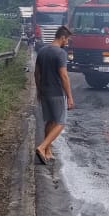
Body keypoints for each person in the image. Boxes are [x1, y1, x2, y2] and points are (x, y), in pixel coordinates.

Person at [34, 24, 74, 164]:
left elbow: (36, 72)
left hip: (44, 92)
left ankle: (47, 151)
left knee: (50, 121)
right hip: (56, 93)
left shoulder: (42, 50)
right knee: (61, 122)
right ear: (62, 37)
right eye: (67, 39)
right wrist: (69, 97)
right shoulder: (60, 53)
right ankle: (42, 146)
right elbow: (63, 75)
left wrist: (39, 89)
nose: (67, 42)